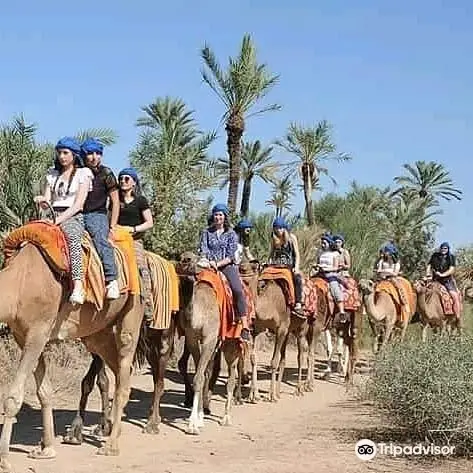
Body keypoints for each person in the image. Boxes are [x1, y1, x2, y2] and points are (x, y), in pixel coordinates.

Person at [34, 137, 94, 305]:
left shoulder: (84, 174)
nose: (62, 156)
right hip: (51, 215)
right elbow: (47, 201)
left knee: (73, 240)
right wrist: (41, 201)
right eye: (59, 152)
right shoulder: (52, 174)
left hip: (72, 215)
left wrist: (59, 220)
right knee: (27, 238)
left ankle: (78, 285)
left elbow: (78, 204)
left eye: (65, 153)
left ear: (74, 155)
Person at [199, 204, 251, 342]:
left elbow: (231, 255)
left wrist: (218, 264)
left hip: (226, 266)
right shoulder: (206, 232)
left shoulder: (231, 234)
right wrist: (207, 261)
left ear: (225, 217)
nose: (218, 217)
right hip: (208, 265)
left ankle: (244, 325)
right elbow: (203, 248)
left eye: (220, 215)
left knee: (237, 290)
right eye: (216, 214)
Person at [80, 138, 120, 300]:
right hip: (77, 214)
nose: (94, 157)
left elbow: (115, 202)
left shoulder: (106, 174)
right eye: (90, 153)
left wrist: (112, 228)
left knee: (101, 241)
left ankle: (112, 279)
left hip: (97, 214)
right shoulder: (78, 172)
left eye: (97, 153)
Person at [116, 167, 154, 324]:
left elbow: (149, 222)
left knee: (141, 268)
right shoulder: (115, 200)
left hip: (133, 240)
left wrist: (133, 229)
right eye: (121, 179)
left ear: (133, 183)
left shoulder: (140, 201)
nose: (123, 181)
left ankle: (147, 305)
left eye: (127, 179)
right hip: (116, 238)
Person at [268, 216, 304, 317]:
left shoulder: (292, 238)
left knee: (297, 279)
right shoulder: (274, 239)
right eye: (276, 228)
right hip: (277, 265)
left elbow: (297, 254)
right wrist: (268, 262)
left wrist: (296, 267)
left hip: (289, 265)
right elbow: (271, 253)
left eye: (280, 228)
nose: (278, 230)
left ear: (284, 228)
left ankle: (298, 303)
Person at [426, 242, 461, 322]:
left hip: (447, 281)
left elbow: (451, 269)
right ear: (440, 248)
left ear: (448, 249)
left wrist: (442, 275)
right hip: (434, 280)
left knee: (455, 296)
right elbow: (429, 266)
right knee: (422, 291)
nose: (443, 250)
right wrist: (428, 274)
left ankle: (457, 317)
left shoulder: (451, 257)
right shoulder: (435, 256)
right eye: (442, 248)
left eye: (445, 248)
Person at [314, 234, 346, 320]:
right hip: (320, 274)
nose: (322, 245)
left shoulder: (335, 254)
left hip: (331, 275)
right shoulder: (320, 253)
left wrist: (325, 268)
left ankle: (341, 311)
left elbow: (335, 267)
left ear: (329, 243)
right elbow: (317, 263)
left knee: (335, 288)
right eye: (322, 243)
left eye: (324, 243)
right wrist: (316, 266)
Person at [375, 243, 408, 308]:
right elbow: (379, 271)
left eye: (387, 251)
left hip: (393, 279)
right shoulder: (382, 261)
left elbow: (395, 273)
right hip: (382, 278)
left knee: (399, 288)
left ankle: (403, 303)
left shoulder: (396, 263)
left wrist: (384, 271)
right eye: (385, 251)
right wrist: (388, 272)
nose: (385, 253)